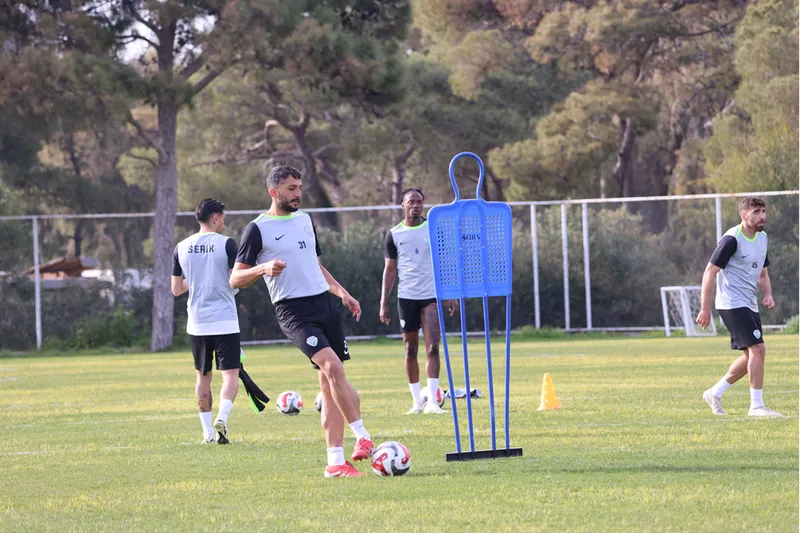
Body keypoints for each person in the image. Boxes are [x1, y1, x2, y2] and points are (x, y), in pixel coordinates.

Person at [230, 165, 373, 478]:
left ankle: (335, 462)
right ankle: (362, 435)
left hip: (325, 304)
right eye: (291, 189)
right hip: (294, 312)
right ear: (274, 192)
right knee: (332, 368)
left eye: (299, 187)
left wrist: (342, 293)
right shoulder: (257, 229)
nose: (298, 194)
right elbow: (235, 278)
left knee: (330, 384)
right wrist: (262, 268)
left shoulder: (306, 220)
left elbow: (315, 266)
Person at [696, 196, 782, 417]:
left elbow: (763, 274)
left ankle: (715, 392)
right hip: (731, 303)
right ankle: (756, 406)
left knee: (753, 354)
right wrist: (705, 308)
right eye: (756, 212)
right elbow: (709, 272)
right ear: (744, 215)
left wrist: (768, 294)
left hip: (749, 303)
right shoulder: (731, 239)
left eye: (763, 211)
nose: (762, 216)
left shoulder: (762, 238)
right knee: (758, 350)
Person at [380, 188, 456, 415]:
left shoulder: (433, 229)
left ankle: (432, 402)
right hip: (407, 298)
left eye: (419, 202)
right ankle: (417, 403)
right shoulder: (394, 234)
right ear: (402, 205)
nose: (416, 205)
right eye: (411, 202)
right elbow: (390, 269)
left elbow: (444, 261)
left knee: (433, 347)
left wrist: (450, 292)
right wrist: (383, 302)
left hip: (431, 296)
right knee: (410, 349)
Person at [172, 198, 241, 444]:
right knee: (230, 375)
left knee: (203, 378)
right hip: (225, 320)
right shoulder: (227, 244)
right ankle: (222, 417)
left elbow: (176, 289)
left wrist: (197, 281)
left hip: (197, 322)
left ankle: (207, 434)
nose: (224, 223)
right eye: (223, 218)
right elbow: (235, 279)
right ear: (215, 217)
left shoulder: (181, 247)